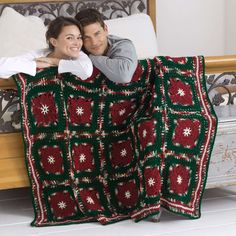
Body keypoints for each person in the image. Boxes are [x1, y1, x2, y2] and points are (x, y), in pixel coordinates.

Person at [0, 16, 93, 80]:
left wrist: (52, 61)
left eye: (79, 37)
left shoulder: (79, 55)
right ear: (54, 42)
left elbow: (86, 71)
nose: (77, 43)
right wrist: (35, 64)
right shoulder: (38, 55)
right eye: (69, 38)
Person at [75, 8, 138, 83]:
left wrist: (91, 57)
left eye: (97, 34)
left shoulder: (123, 45)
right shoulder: (78, 46)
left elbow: (123, 76)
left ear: (105, 29)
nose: (94, 42)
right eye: (86, 38)